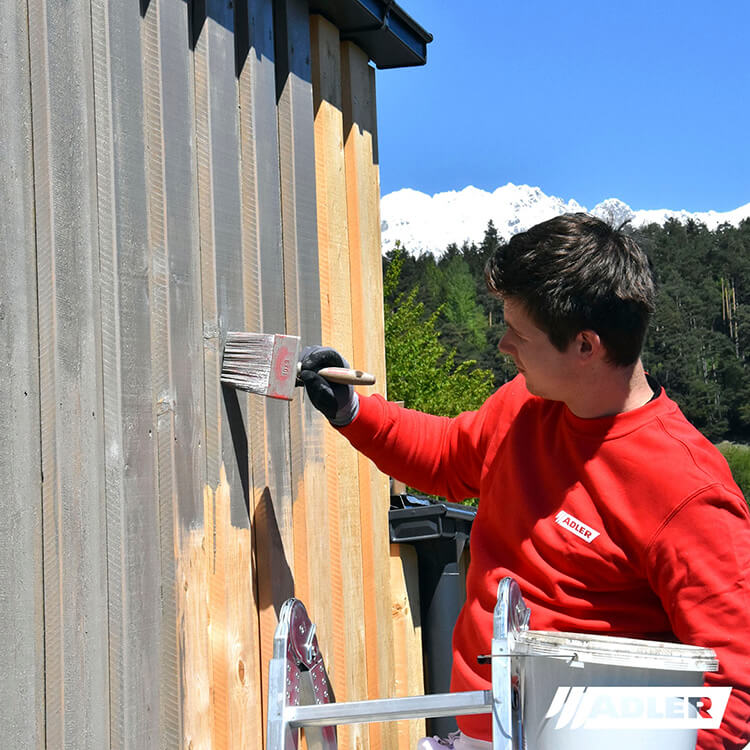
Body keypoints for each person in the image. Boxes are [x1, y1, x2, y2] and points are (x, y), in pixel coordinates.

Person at [298, 213, 750, 750]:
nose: (504, 344)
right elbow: (448, 456)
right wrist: (352, 411)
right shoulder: (527, 404)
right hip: (479, 732)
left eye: (519, 332)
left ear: (586, 346)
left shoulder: (689, 493)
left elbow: (731, 697)